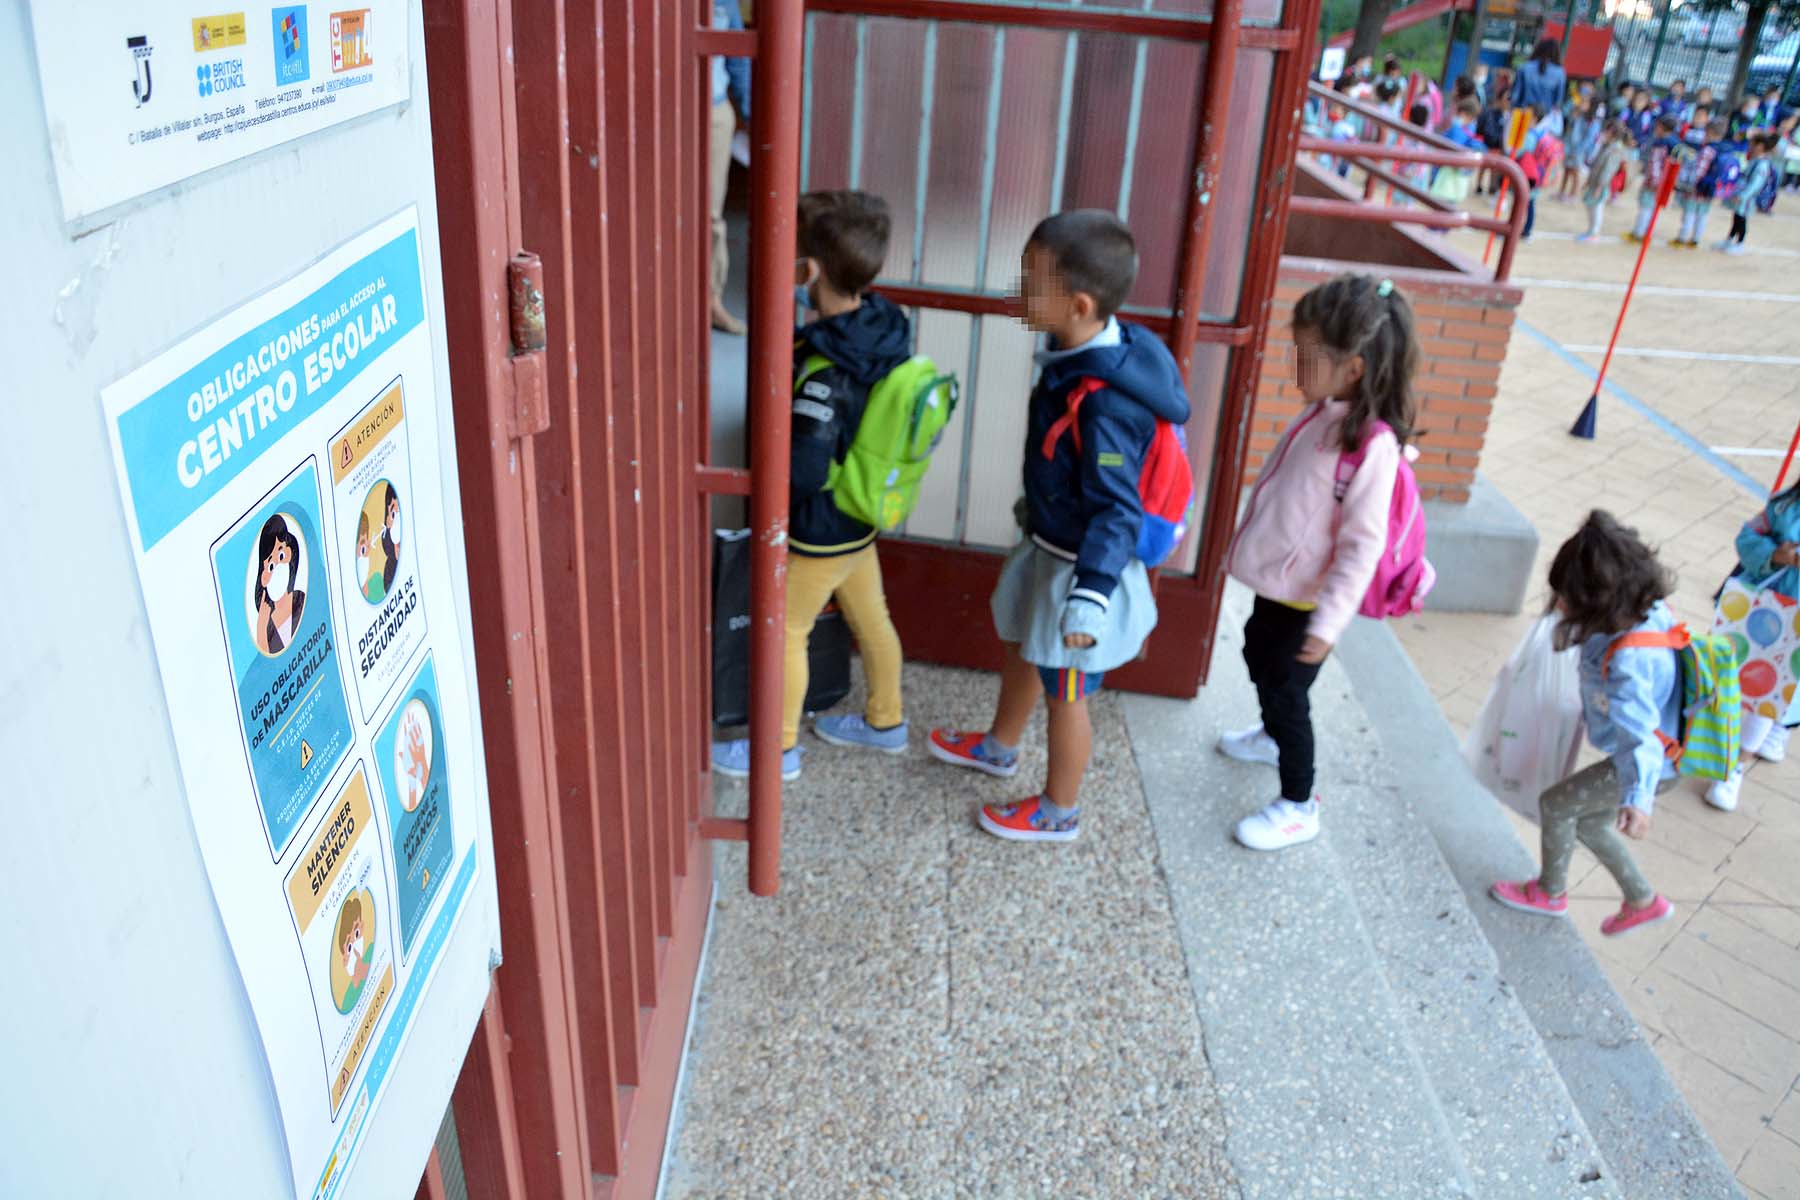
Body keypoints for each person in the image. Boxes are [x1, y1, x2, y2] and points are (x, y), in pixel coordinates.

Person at [927, 211, 1190, 844]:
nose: (1018, 292)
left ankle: (1058, 811)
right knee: (1022, 644)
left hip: (1084, 569)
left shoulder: (1106, 402)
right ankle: (999, 746)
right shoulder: (1082, 352)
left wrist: (1091, 597)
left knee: (1066, 689)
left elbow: (1117, 510)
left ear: (1077, 304)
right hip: (1052, 544)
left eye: (1031, 282)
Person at [711, 190, 913, 782]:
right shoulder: (881, 326)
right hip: (863, 507)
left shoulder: (827, 367)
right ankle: (886, 721)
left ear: (810, 272)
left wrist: (768, 499)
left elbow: (801, 465)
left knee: (785, 633)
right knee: (872, 617)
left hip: (821, 526)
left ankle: (777, 750)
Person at [1218, 274, 1416, 852]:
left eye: (1304, 355)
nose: (1292, 363)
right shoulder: (1324, 412)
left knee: (1287, 691)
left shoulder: (1370, 445)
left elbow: (1361, 547)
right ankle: (1272, 737)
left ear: (1352, 367)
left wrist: (1327, 627)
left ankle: (1299, 802)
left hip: (1307, 601)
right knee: (1258, 654)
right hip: (1282, 588)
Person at [1488, 511, 1679, 939]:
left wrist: (1637, 798)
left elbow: (1639, 737)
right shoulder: (1644, 607)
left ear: (1602, 601)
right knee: (1589, 822)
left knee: (1558, 805)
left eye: (1569, 599)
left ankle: (1549, 893)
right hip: (1662, 755)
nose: (1559, 605)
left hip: (1649, 765)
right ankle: (1643, 901)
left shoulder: (1629, 663)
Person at [1702, 477, 1800, 810]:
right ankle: (1697, 741)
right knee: (1723, 676)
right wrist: (1776, 555)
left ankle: (1735, 768)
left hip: (1794, 629)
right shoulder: (1784, 508)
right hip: (1756, 609)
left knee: (1770, 697)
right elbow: (1746, 537)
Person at [708, 0, 752, 335]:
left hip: (713, 112)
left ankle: (711, 301)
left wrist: (752, 115)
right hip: (657, 108)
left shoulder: (725, 2)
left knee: (711, 215)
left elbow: (737, 56)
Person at [253, 515, 307, 656]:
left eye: (281, 555)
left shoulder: (300, 598)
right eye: (271, 565)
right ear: (262, 577)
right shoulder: (266, 623)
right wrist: (261, 628)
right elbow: (266, 665)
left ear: (290, 552)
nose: (277, 567)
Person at [1717, 132, 1779, 252]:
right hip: (1742, 195)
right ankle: (1729, 240)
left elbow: (1755, 184)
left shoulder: (1762, 164)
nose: (1750, 146)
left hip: (1747, 197)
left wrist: (1743, 195)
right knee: (1737, 217)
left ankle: (1740, 243)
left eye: (1752, 144)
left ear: (1760, 146)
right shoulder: (1755, 160)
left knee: (1741, 219)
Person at [1673, 117, 1730, 248]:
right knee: (1702, 215)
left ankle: (1682, 238)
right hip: (1711, 189)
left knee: (1689, 213)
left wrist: (1691, 185)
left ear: (1709, 132)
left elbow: (1699, 171)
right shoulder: (1724, 150)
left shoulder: (1707, 150)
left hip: (1698, 189)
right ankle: (1696, 239)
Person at [1626, 115, 1681, 242]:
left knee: (1646, 206)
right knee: (1651, 207)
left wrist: (1655, 180)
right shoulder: (1675, 142)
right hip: (1664, 180)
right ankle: (1646, 232)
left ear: (1661, 127)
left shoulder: (1661, 143)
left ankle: (1639, 233)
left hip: (1654, 181)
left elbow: (1655, 163)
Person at [1578, 120, 1634, 242]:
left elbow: (1608, 170)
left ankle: (1594, 232)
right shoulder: (1606, 145)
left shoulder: (1615, 149)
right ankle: (1591, 231)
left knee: (1596, 207)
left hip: (1601, 184)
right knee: (1591, 206)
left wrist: (1600, 186)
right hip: (1596, 181)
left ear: (1612, 133)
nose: (1604, 133)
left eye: (1607, 131)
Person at [1559, 94, 1602, 201]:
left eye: (1585, 102)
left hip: (1579, 151)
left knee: (1575, 172)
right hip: (1570, 147)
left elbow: (1589, 138)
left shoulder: (1593, 121)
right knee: (1567, 170)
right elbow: (1569, 124)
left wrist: (1580, 149)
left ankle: (1574, 194)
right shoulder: (1578, 115)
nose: (1582, 104)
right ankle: (1561, 192)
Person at [1510, 38, 1567, 114]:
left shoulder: (1524, 67)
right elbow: (1558, 101)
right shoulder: (1560, 73)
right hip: (1546, 118)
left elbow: (1515, 95)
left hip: (1524, 114)